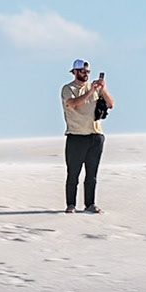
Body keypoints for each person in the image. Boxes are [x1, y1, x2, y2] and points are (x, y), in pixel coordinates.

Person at [61, 60, 114, 214]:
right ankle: (71, 205)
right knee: (73, 174)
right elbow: (72, 103)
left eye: (87, 72)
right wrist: (90, 92)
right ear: (75, 72)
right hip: (76, 136)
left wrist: (103, 90)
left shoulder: (95, 88)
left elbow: (110, 104)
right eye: (82, 71)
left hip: (95, 135)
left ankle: (90, 204)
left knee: (92, 174)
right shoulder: (68, 89)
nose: (85, 74)